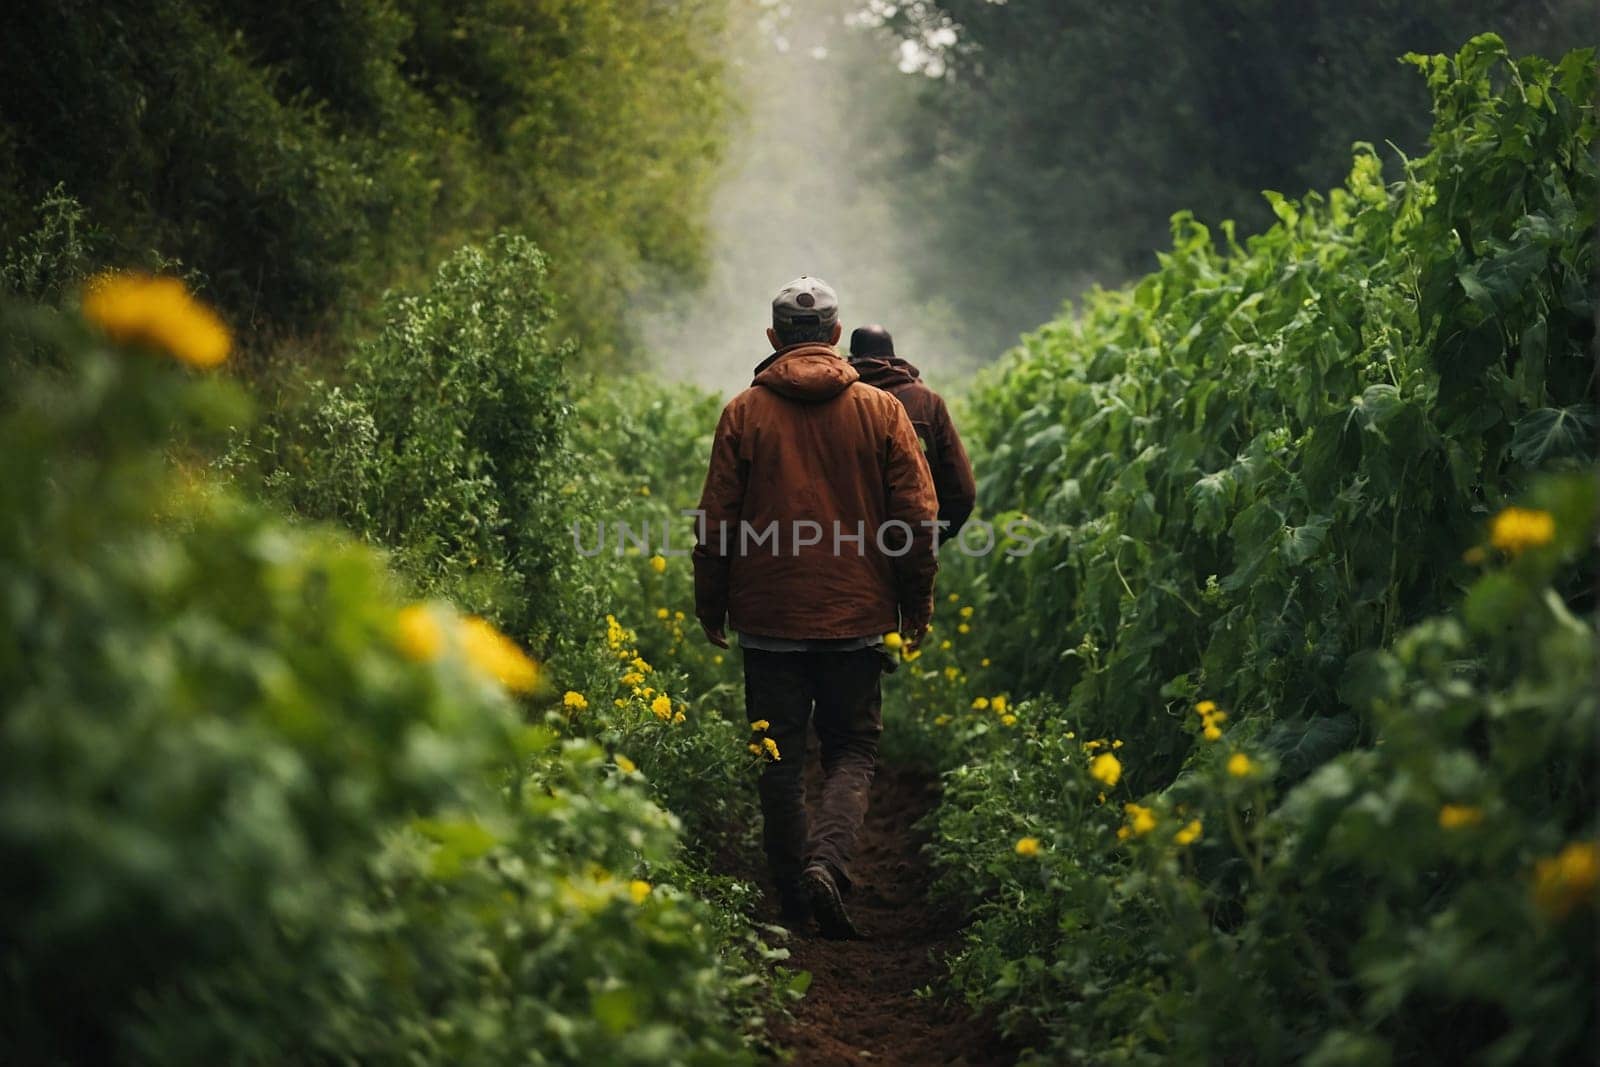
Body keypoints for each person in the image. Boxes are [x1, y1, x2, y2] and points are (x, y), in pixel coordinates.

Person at [693, 277, 939, 939]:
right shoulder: (882, 412)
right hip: (855, 615)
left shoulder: (743, 411)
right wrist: (916, 602)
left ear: (774, 339)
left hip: (769, 616)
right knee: (852, 749)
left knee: (776, 754)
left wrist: (709, 605)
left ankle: (791, 898)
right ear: (836, 336)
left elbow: (716, 522)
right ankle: (827, 864)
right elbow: (917, 518)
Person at [848, 324, 977, 546]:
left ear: (852, 358)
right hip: (910, 544)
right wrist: (931, 538)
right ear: (893, 356)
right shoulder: (927, 402)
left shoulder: (840, 400)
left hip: (848, 547)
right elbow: (962, 492)